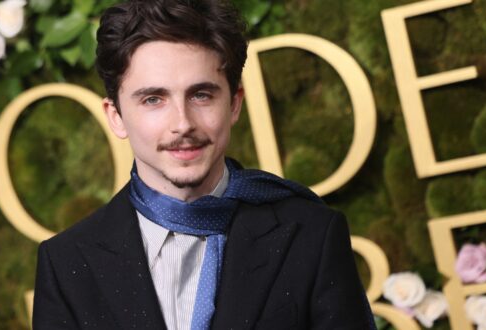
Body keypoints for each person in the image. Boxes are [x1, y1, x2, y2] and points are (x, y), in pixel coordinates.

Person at [32, 0, 375, 329]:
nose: (182, 124)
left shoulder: (312, 233)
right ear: (116, 116)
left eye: (201, 95)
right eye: (154, 99)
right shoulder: (65, 263)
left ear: (234, 103)